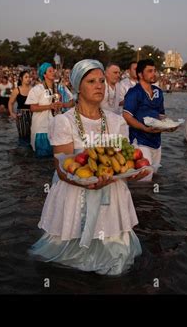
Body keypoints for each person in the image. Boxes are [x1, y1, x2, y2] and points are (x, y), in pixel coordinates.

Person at [29, 59, 148, 275]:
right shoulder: (64, 122)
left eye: (102, 81)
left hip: (112, 193)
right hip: (75, 193)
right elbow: (62, 168)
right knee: (67, 260)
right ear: (77, 86)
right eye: (91, 81)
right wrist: (87, 182)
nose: (99, 86)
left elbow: (123, 163)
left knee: (116, 256)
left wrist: (135, 174)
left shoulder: (116, 121)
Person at [123, 59, 176, 181]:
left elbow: (160, 115)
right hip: (140, 141)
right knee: (143, 179)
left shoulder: (158, 91)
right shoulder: (134, 92)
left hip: (156, 141)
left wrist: (169, 124)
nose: (154, 74)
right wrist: (143, 128)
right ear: (141, 74)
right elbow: (126, 116)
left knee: (154, 175)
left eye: (155, 71)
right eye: (150, 71)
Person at [25, 63, 73, 157]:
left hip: (57, 128)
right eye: (50, 71)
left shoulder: (60, 87)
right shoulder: (37, 89)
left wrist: (63, 104)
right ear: (44, 74)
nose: (53, 72)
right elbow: (33, 108)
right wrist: (49, 106)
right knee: (41, 160)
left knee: (57, 158)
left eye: (53, 70)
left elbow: (72, 102)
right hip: (41, 129)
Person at [8, 71, 32, 145]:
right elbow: (10, 103)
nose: (28, 79)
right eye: (26, 77)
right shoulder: (17, 90)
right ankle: (21, 154)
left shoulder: (33, 89)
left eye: (29, 77)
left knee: (32, 135)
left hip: (32, 113)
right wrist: (12, 113)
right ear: (21, 79)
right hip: (21, 114)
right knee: (23, 136)